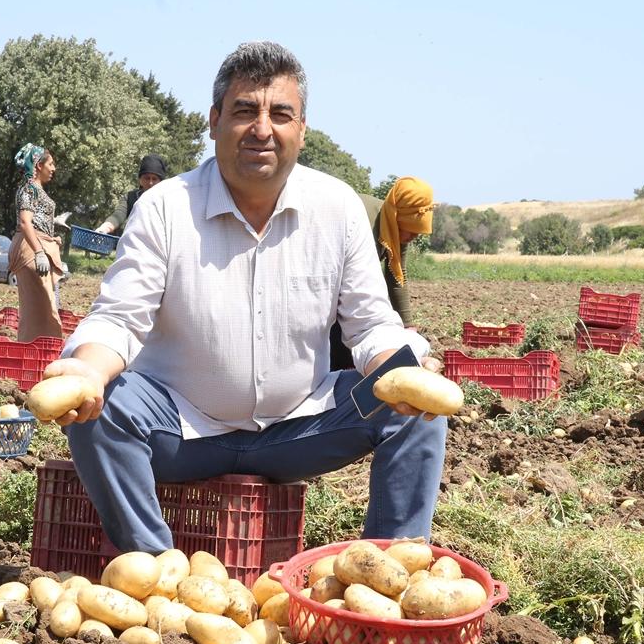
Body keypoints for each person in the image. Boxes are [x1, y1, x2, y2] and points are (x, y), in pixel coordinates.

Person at [41, 42, 448, 554]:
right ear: (214, 122)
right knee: (100, 404)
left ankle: (391, 569)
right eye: (243, 111)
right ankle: (153, 568)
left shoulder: (337, 207)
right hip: (180, 429)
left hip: (300, 427)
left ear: (301, 128)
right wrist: (87, 371)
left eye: (280, 113)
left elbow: (369, 327)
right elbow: (120, 317)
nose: (262, 129)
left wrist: (401, 370)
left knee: (414, 408)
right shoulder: (164, 207)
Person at [329, 178, 434, 370]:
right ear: (397, 218)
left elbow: (397, 276)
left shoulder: (395, 229)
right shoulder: (361, 219)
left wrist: (407, 325)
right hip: (332, 286)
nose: (412, 238)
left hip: (350, 291)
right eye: (410, 232)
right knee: (337, 345)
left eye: (416, 234)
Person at [9, 143, 65, 341]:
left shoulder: (36, 189)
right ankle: (34, 352)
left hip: (40, 245)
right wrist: (40, 252)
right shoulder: (29, 189)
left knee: (46, 307)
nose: (53, 169)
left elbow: (35, 218)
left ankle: (43, 351)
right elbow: (25, 223)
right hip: (32, 250)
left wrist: (53, 224)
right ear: (38, 166)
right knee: (40, 310)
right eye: (50, 164)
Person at [94, 154, 169, 235]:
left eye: (154, 179)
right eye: (147, 178)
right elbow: (118, 215)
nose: (150, 183)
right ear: (140, 180)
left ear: (161, 182)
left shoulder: (167, 201)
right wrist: (104, 228)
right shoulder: (130, 197)